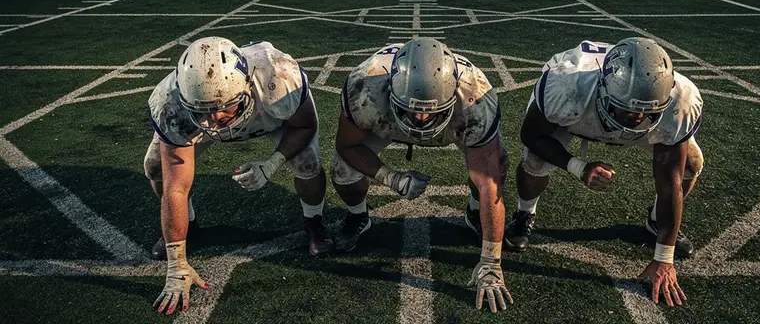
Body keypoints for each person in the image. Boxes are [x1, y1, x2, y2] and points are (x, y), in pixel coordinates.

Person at [507, 37, 703, 306]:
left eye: (646, 111)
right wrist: (579, 167)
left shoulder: (681, 100)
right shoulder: (566, 86)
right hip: (581, 113)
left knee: (690, 165)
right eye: (627, 110)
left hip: (610, 107)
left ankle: (657, 220)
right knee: (534, 161)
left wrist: (664, 259)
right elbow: (531, 135)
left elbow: (671, 182)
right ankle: (524, 213)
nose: (636, 118)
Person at [144, 37, 330, 315]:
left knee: (308, 163)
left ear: (247, 84)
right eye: (204, 110)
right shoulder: (169, 101)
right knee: (156, 168)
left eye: (225, 106)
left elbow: (305, 126)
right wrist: (176, 264)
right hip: (207, 115)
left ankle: (314, 220)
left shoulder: (278, 75)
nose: (216, 118)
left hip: (265, 113)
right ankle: (189, 225)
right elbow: (176, 188)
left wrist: (272, 163)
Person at [331, 38, 513, 312]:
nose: (420, 120)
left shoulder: (475, 96)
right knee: (342, 169)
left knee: (497, 165)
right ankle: (358, 216)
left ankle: (475, 212)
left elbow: (489, 181)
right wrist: (392, 178)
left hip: (452, 120)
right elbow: (347, 146)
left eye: (429, 114)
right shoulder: (365, 86)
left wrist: (491, 262)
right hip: (388, 120)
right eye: (413, 112)